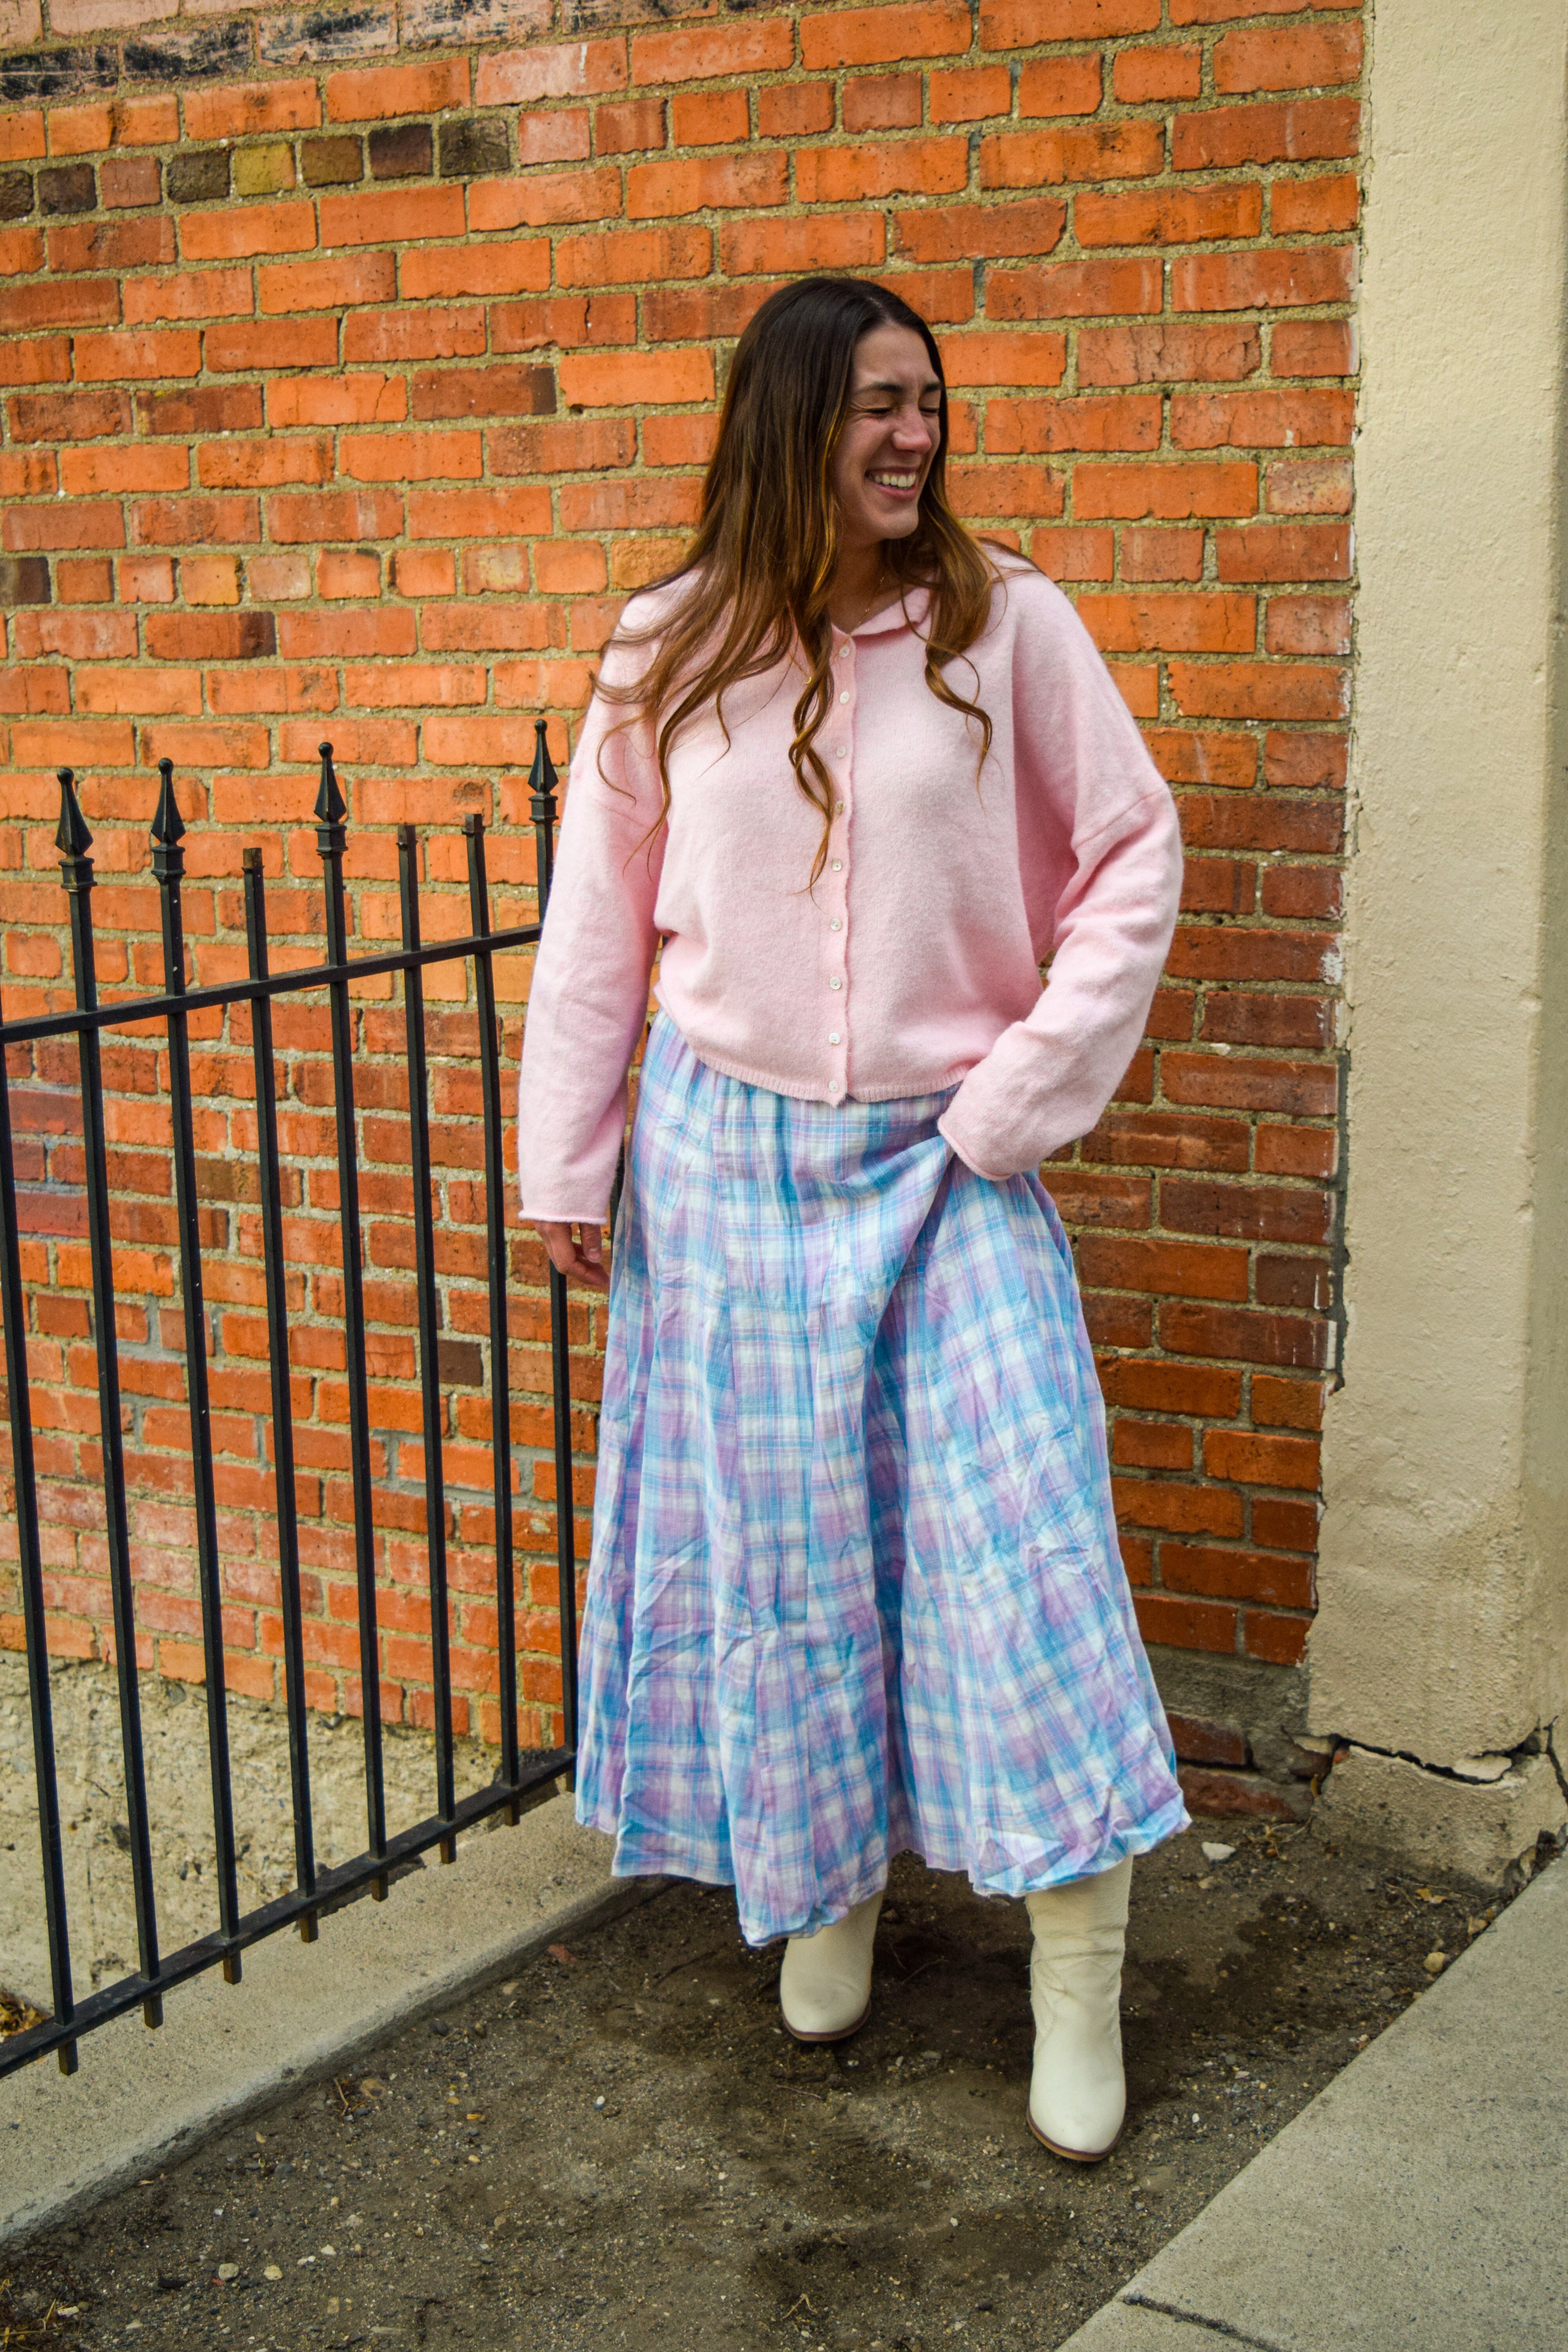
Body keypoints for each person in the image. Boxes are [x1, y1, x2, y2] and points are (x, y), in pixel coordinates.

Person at [516, 276, 1189, 2165]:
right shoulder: (667, 647)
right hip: (726, 1169)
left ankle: (1077, 1979)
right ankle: (824, 1901)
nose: (913, 437)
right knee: (789, 1569)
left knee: (1025, 1545)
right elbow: (599, 926)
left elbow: (1137, 858)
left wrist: (1010, 1107)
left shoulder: (1009, 627)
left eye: (929, 405)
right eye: (876, 406)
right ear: (790, 419)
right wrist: (573, 1157)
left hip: (947, 1165)